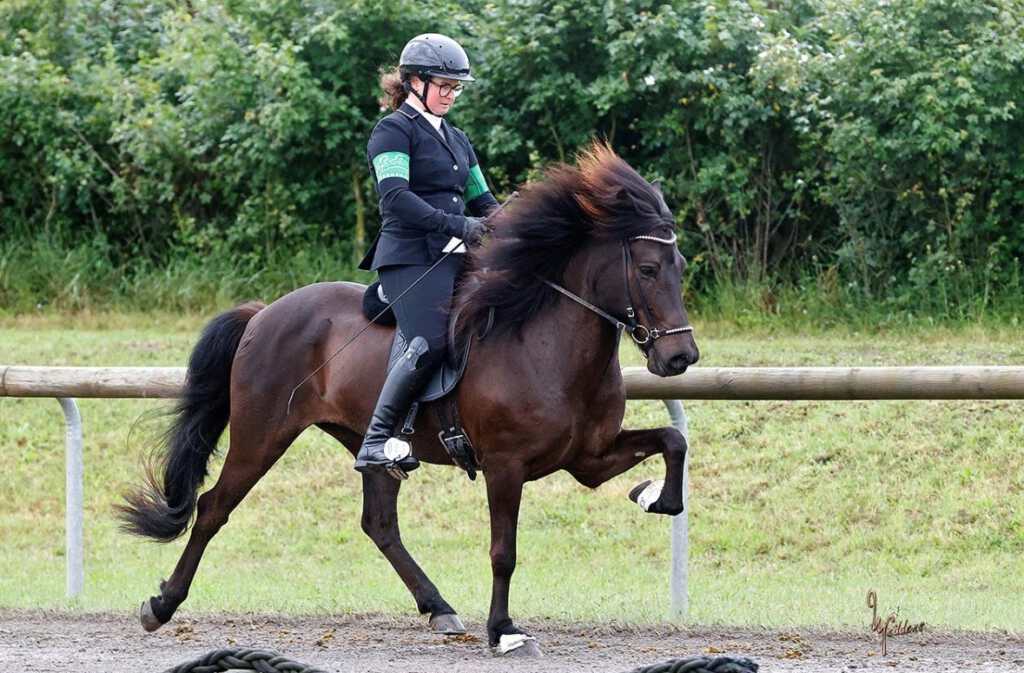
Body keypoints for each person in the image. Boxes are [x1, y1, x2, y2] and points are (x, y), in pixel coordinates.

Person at [355, 33, 500, 477]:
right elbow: (395, 197)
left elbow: (484, 202)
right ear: (414, 82)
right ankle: (376, 440)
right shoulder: (393, 131)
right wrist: (459, 227)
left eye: (456, 88)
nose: (451, 95)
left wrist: (516, 228)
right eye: (444, 86)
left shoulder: (458, 140)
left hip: (457, 257)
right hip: (409, 258)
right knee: (433, 339)